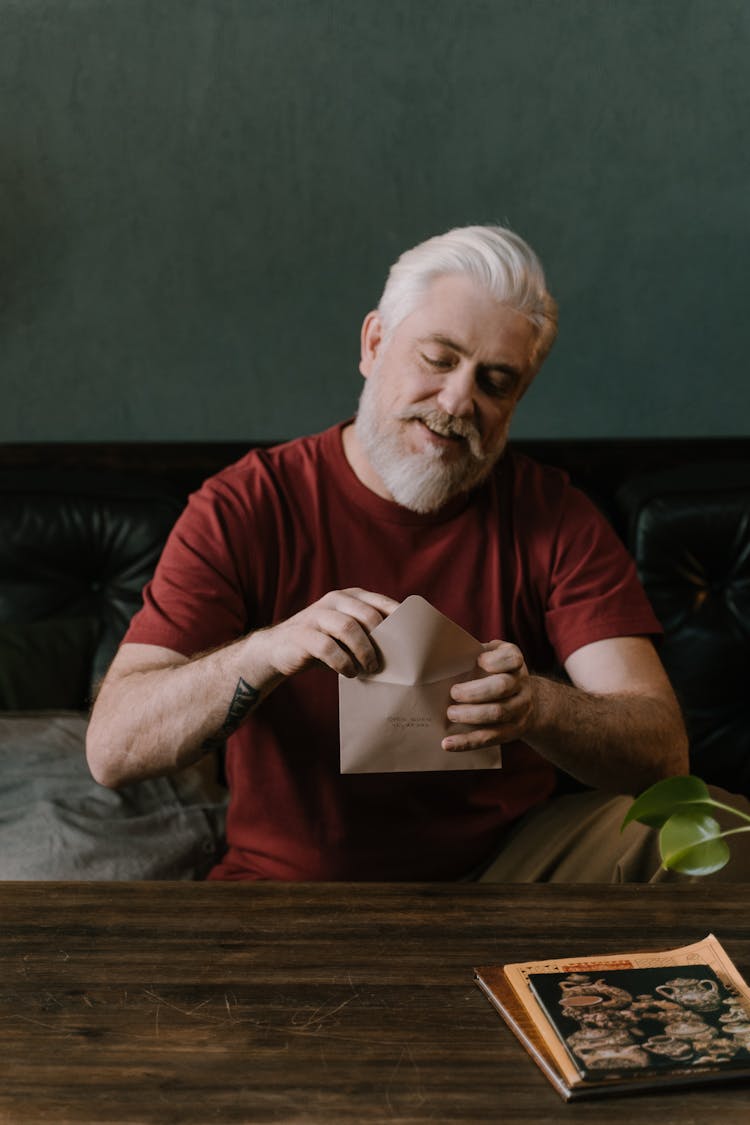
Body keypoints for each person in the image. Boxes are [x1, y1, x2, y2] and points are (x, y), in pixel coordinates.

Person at [87, 224, 707, 882]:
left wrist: (537, 707)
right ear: (375, 343)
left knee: (703, 822)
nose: (458, 400)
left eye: (495, 383)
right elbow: (112, 748)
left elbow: (663, 753)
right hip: (293, 885)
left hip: (510, 870)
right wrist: (265, 651)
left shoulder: (555, 517)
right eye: (439, 359)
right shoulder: (245, 504)